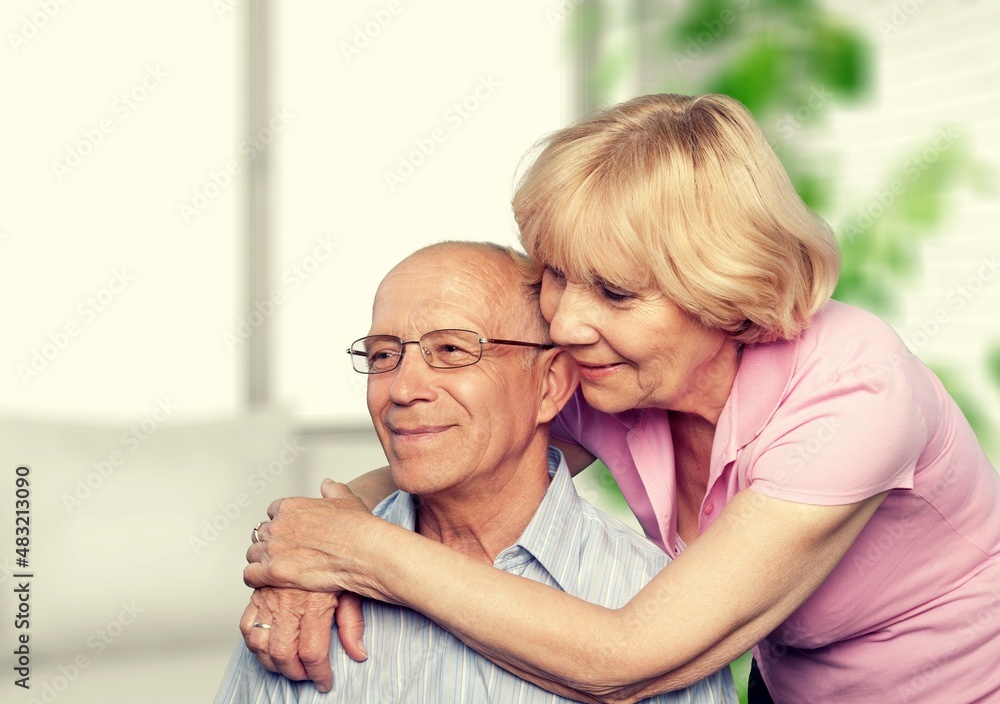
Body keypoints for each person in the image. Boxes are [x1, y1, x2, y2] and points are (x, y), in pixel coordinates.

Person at [244, 95, 1000, 703]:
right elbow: (449, 454)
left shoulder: (856, 391)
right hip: (791, 686)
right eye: (559, 276)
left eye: (613, 291)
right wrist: (313, 545)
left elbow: (623, 662)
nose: (567, 322)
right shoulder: (610, 375)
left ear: (724, 293)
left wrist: (361, 551)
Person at [220, 241, 738, 703]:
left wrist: (348, 547)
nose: (402, 389)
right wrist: (317, 554)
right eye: (383, 355)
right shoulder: (303, 591)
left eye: (451, 350)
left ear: (550, 385)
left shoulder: (648, 598)